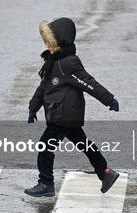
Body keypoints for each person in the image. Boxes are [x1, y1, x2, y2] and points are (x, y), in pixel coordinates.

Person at [25, 17, 120, 197]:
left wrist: (109, 99)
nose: (46, 45)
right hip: (64, 113)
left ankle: (46, 183)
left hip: (63, 115)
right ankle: (105, 172)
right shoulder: (54, 61)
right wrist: (33, 107)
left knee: (45, 147)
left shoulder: (68, 62)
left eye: (49, 41)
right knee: (83, 143)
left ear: (59, 42)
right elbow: (44, 86)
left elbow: (88, 82)